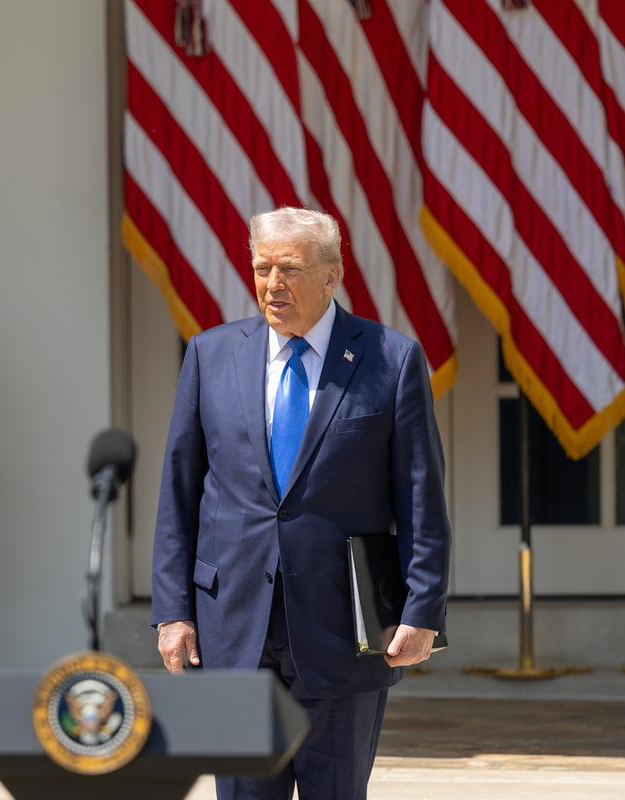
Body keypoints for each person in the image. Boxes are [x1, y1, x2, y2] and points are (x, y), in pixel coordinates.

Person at [151, 207, 450, 800]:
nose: (272, 284)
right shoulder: (210, 354)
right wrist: (173, 610)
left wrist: (423, 610)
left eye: (289, 269)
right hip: (232, 624)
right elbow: (179, 493)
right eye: (262, 268)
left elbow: (421, 497)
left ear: (332, 276)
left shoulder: (391, 359)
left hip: (342, 629)